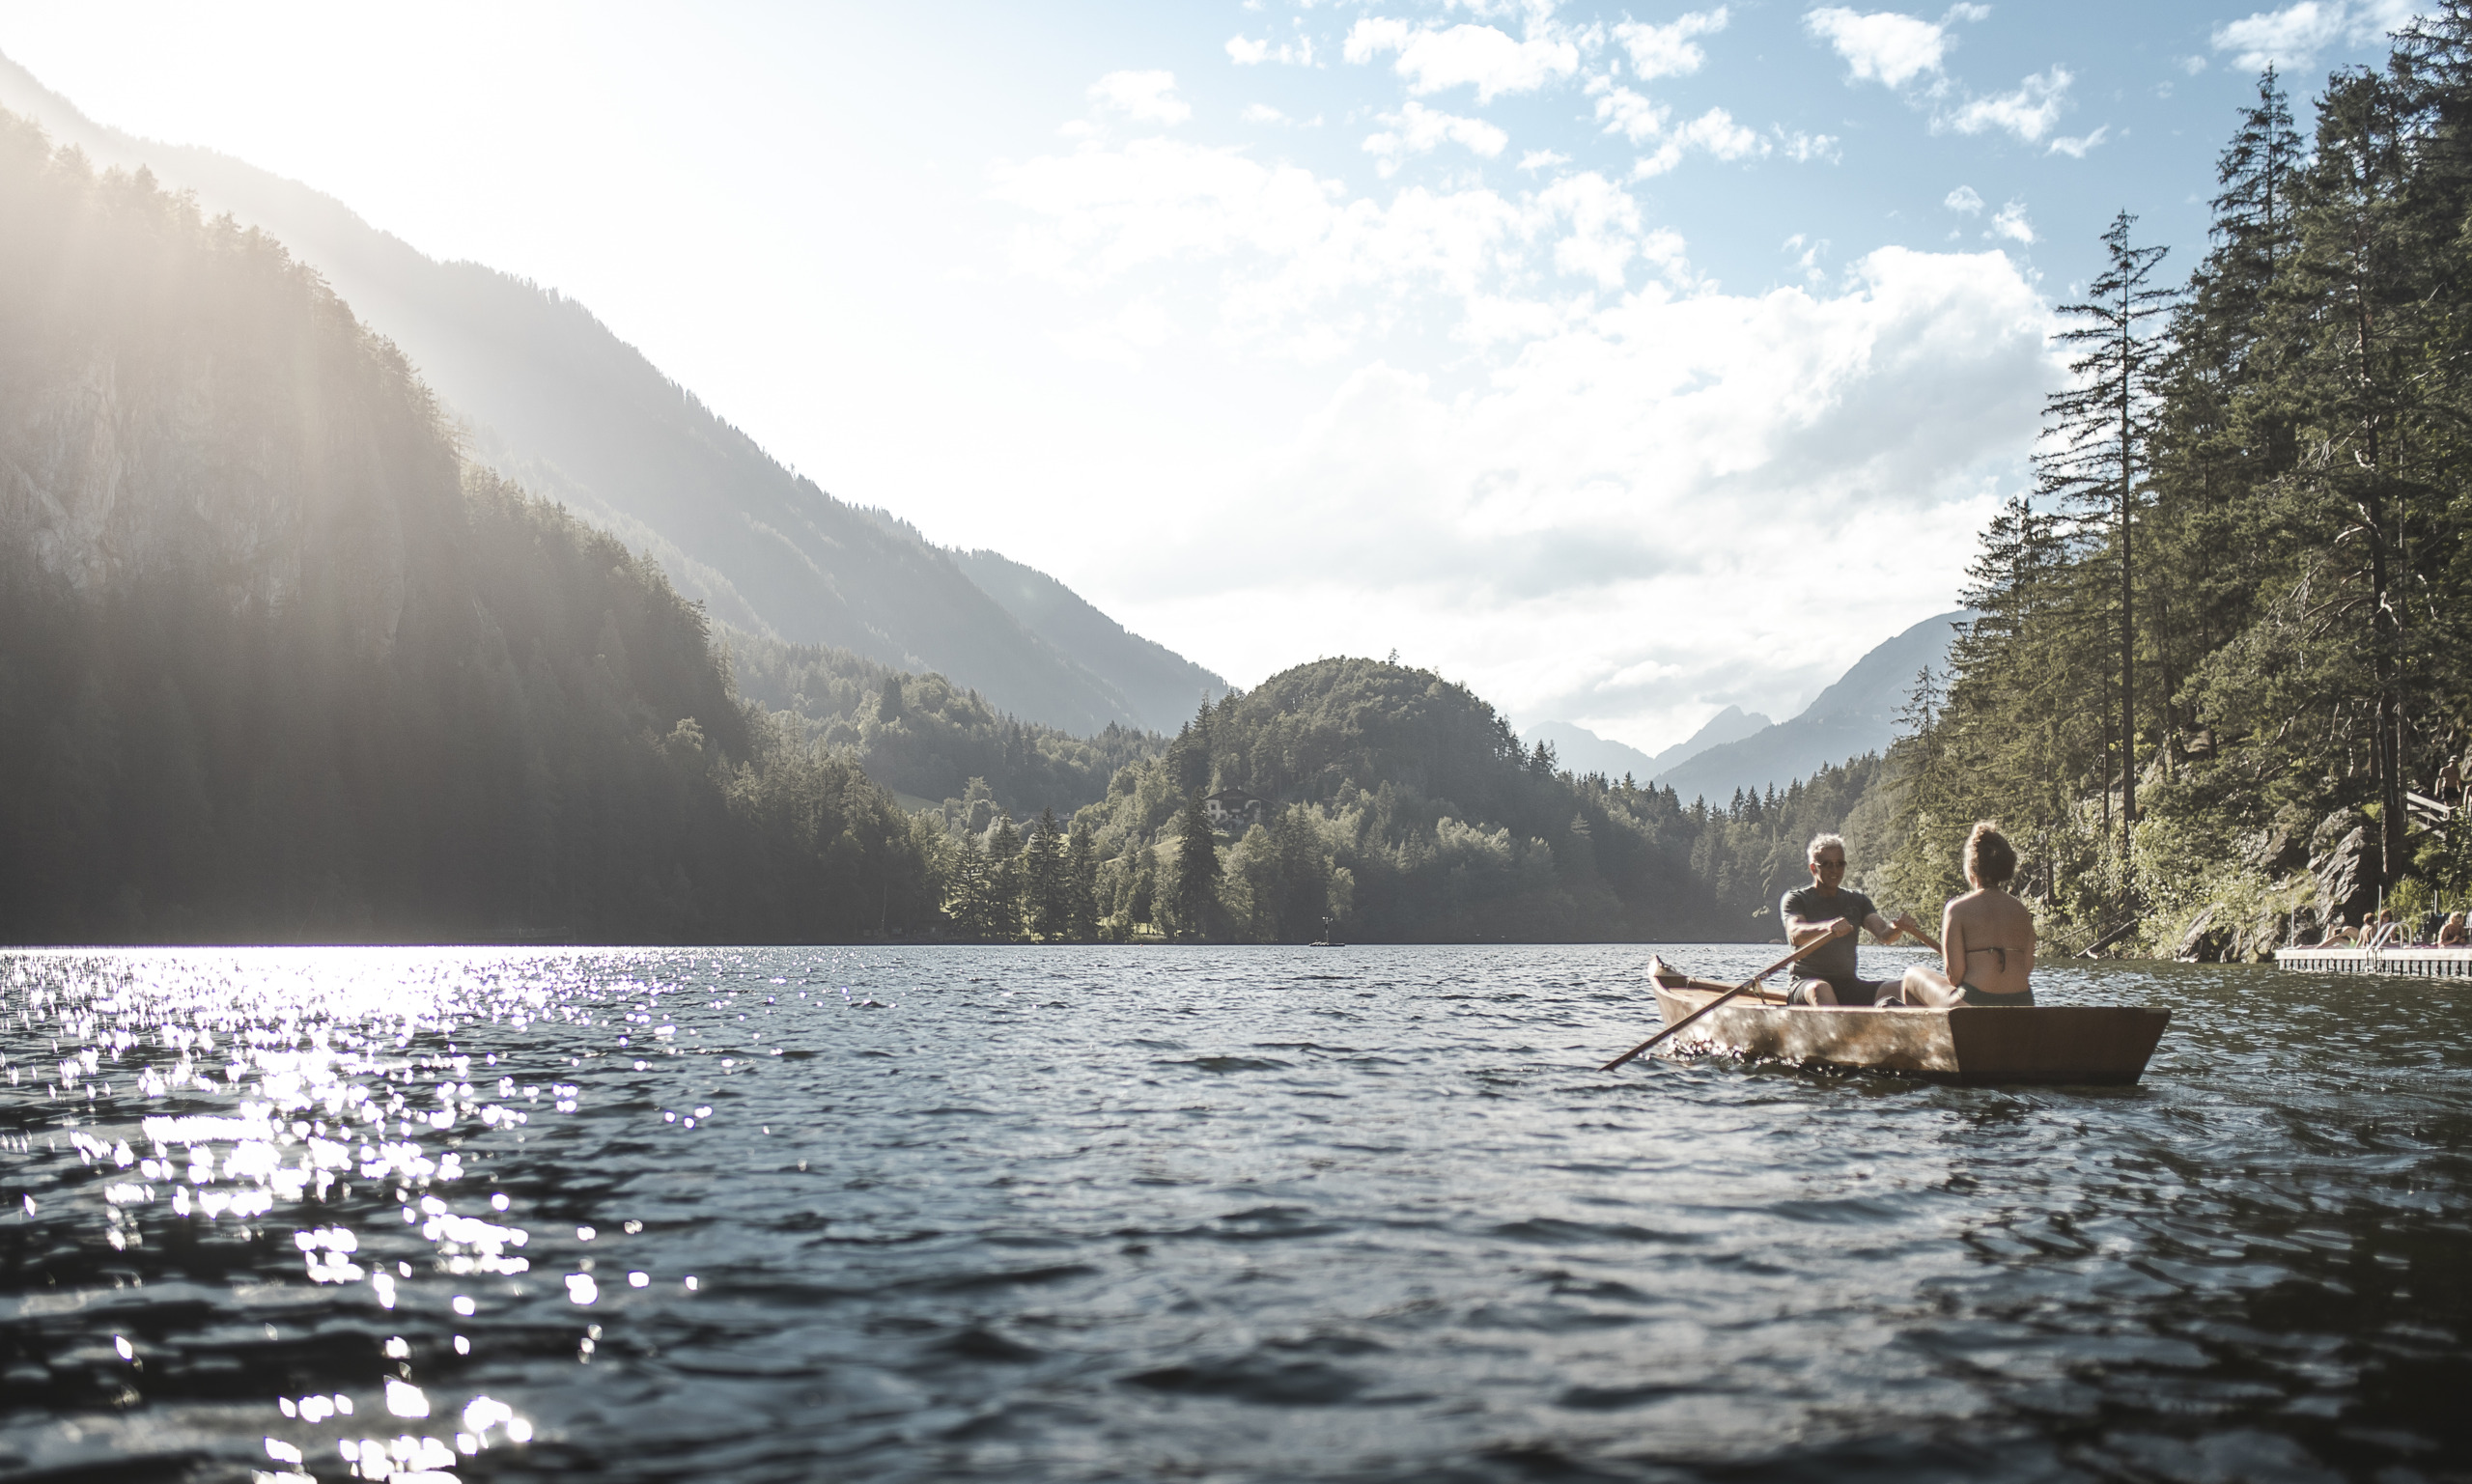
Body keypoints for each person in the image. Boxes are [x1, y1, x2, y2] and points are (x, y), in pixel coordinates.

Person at [1781, 833, 1929, 1005]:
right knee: (1821, 989)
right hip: (1806, 984)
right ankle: (1840, 1029)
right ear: (1814, 868)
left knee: (1906, 988)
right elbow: (1795, 934)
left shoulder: (1857, 900)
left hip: (1848, 986)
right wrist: (1828, 927)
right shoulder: (1796, 899)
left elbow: (1884, 935)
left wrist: (1897, 927)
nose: (1835, 870)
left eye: (1840, 864)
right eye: (1828, 865)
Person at [1899, 822, 2037, 1008]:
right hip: (2023, 1002)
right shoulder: (2021, 911)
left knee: (1911, 977)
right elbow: (2026, 968)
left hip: (1974, 1001)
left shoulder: (1957, 909)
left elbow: (1954, 977)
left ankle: (1934, 1037)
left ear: (1971, 868)